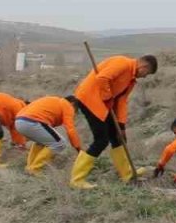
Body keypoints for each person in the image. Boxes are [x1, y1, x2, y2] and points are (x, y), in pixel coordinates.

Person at [68, 55, 158, 189]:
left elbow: (121, 102)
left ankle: (127, 174)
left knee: (118, 138)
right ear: (144, 67)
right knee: (101, 140)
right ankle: (77, 180)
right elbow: (102, 78)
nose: (145, 77)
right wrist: (107, 95)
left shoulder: (131, 79)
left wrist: (121, 126)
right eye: (147, 73)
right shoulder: (122, 63)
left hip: (104, 104)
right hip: (90, 100)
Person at [15, 96, 84, 176]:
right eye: (76, 110)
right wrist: (78, 149)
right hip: (33, 121)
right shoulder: (67, 105)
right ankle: (34, 169)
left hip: (19, 122)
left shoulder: (54, 101)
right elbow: (70, 129)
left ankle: (29, 168)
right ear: (73, 104)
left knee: (42, 142)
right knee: (60, 143)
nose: (74, 113)